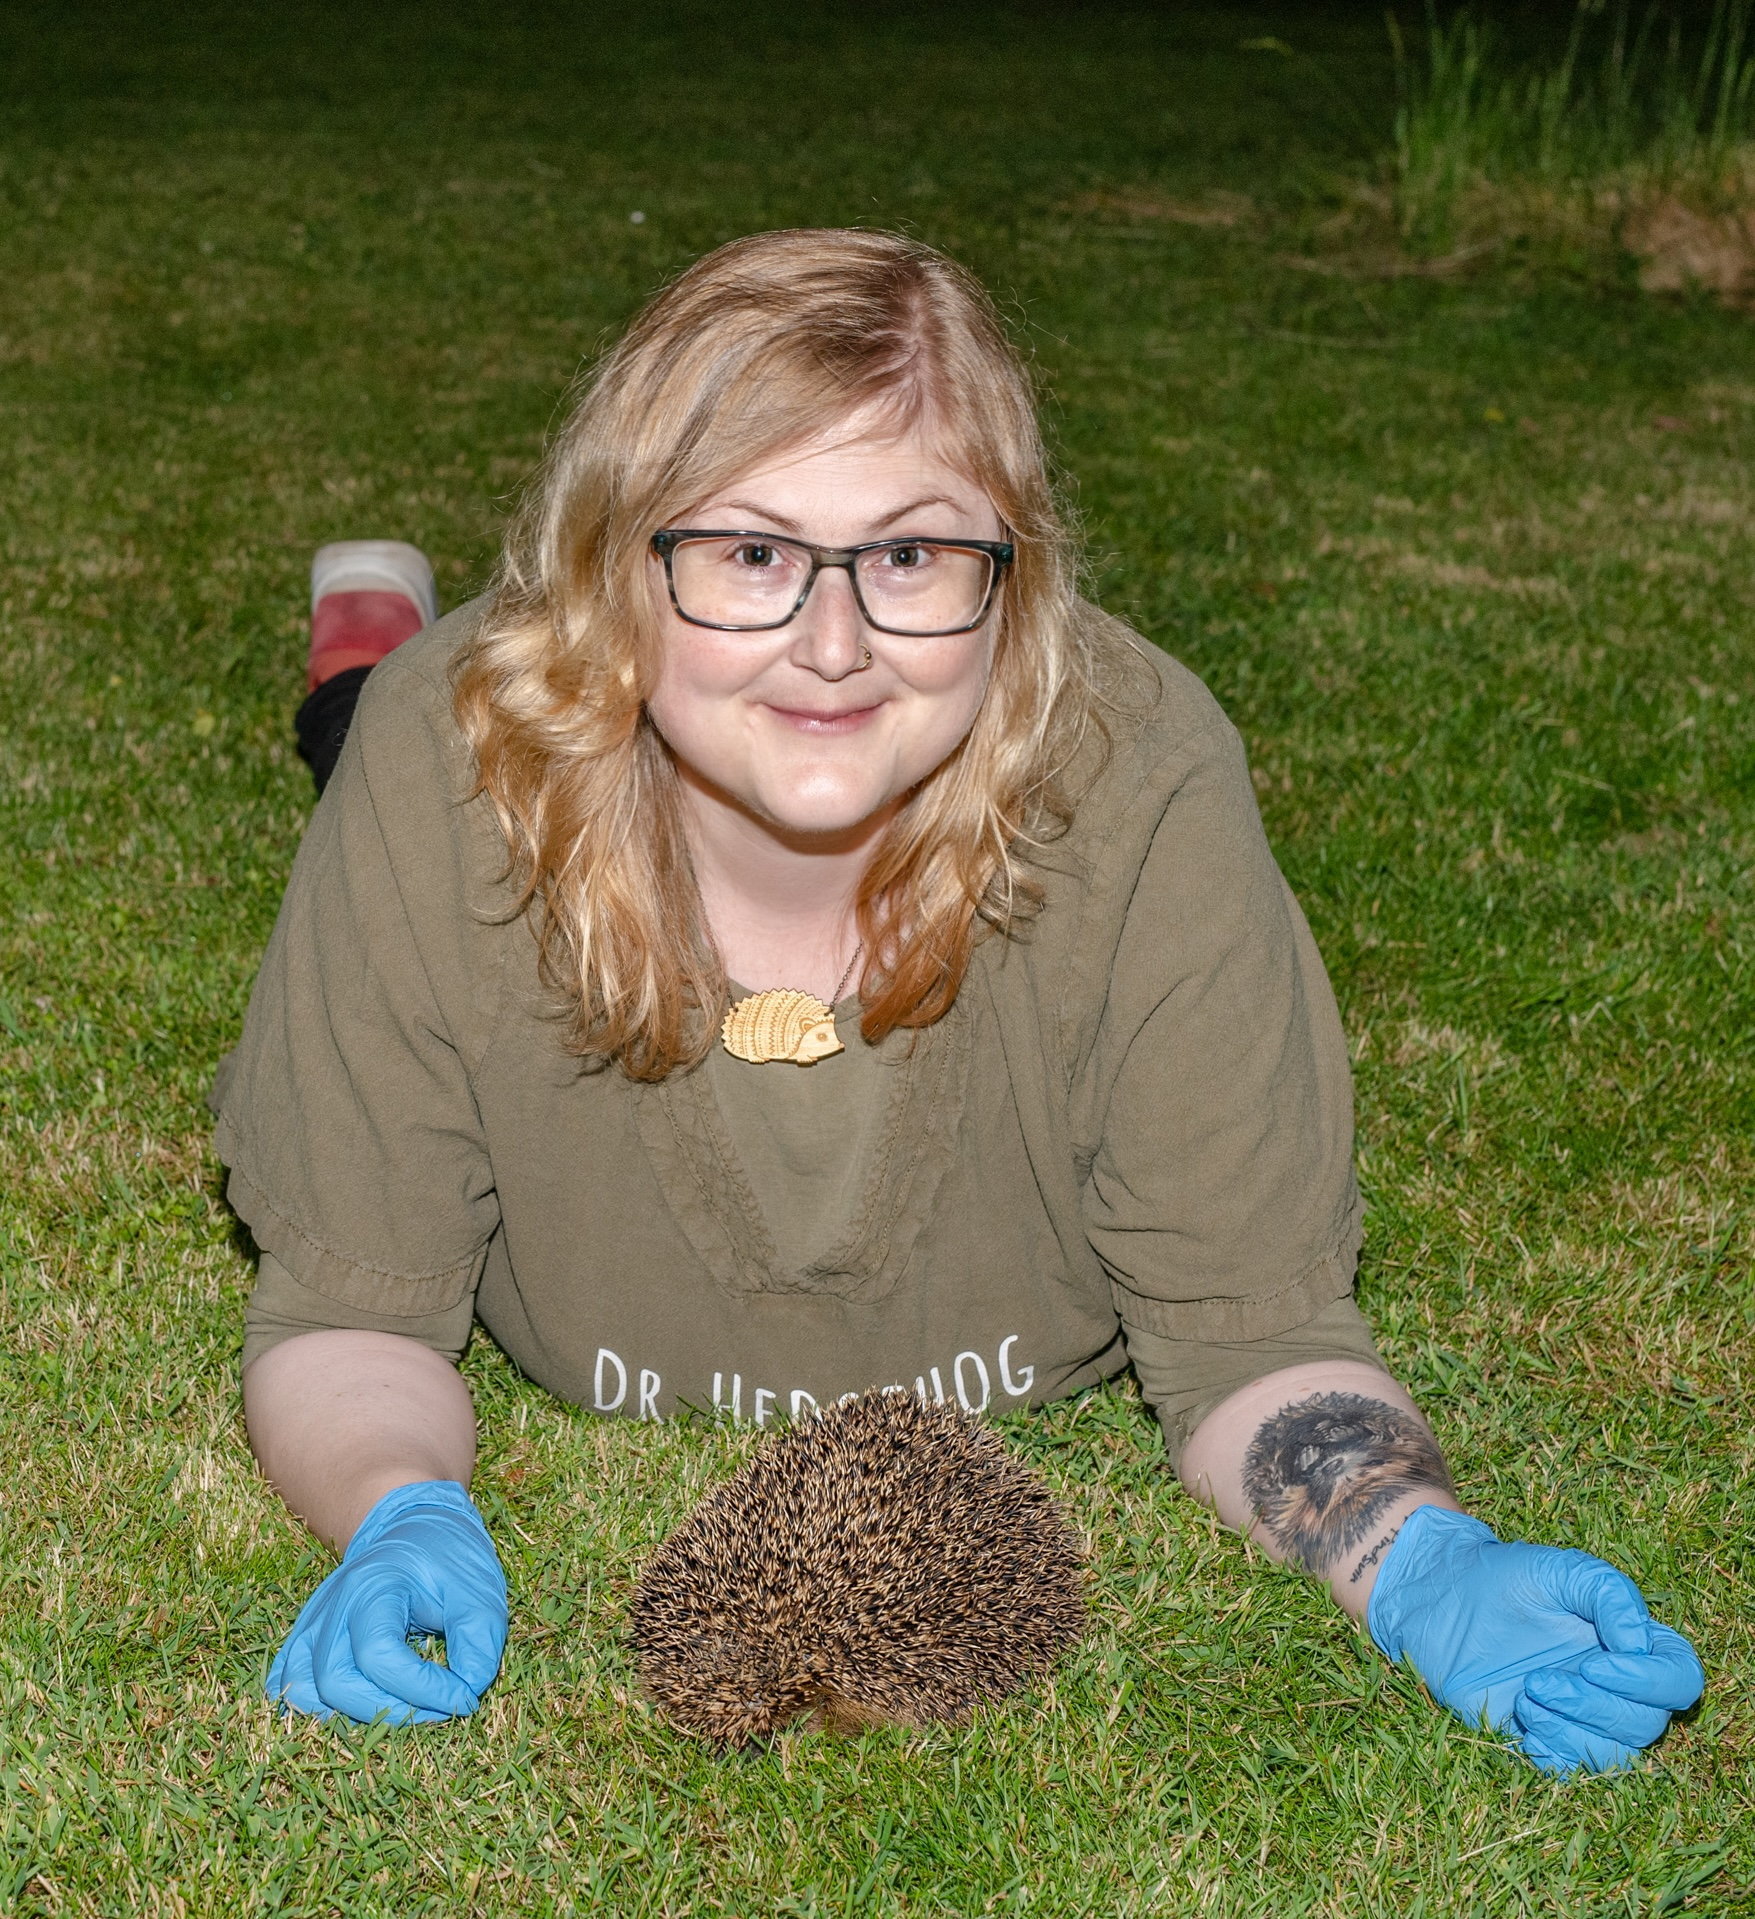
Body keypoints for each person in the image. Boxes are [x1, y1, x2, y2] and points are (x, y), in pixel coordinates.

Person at [216, 228, 1703, 1767]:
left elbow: (1248, 1338)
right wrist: (397, 1511)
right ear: (617, 563)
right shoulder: (441, 771)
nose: (836, 644)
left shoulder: (1148, 785)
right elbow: (348, 1308)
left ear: (1016, 579)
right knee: (373, 732)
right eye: (749, 553)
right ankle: (366, 638)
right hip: (518, 736)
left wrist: (1418, 1554)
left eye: (915, 554)